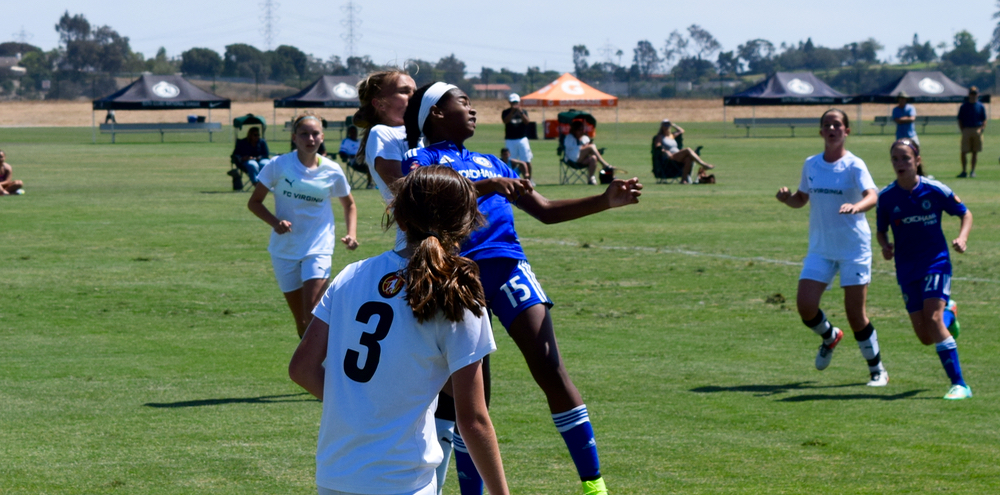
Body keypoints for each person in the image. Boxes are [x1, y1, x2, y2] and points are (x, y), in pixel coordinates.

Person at [402, 82, 644, 495]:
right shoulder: (420, 158)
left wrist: (605, 201)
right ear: (436, 114)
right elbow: (421, 196)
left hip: (509, 268)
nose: (473, 109)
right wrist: (486, 186)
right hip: (459, 277)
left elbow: (545, 211)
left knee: (552, 369)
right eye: (463, 102)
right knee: (473, 400)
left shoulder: (489, 160)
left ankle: (594, 486)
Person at [289, 165, 510, 495]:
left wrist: (360, 406)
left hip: (335, 475)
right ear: (465, 224)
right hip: (402, 481)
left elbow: (302, 369)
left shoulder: (351, 275)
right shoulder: (455, 289)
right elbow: (473, 419)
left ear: (399, 217)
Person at [353, 69, 464, 494]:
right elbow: (407, 186)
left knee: (455, 377)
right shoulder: (384, 133)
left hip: (447, 249)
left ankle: (435, 477)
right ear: (379, 103)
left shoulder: (426, 133)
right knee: (441, 373)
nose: (411, 94)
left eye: (413, 89)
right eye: (402, 90)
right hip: (416, 253)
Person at [775, 109, 888, 387]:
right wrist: (787, 199)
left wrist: (856, 207)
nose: (832, 129)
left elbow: (872, 195)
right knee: (805, 305)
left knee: (855, 315)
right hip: (821, 249)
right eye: (827, 125)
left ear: (846, 131)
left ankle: (877, 370)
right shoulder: (811, 164)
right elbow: (802, 198)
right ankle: (829, 336)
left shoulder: (854, 165)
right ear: (821, 132)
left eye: (837, 125)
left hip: (853, 249)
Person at [876, 138, 973, 400]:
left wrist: (962, 238)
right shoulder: (886, 197)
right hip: (906, 268)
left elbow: (965, 213)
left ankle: (960, 385)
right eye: (895, 159)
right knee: (925, 337)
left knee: (932, 319)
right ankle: (950, 313)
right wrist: (885, 246)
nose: (900, 163)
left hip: (936, 262)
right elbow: (881, 231)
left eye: (906, 158)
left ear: (917, 161)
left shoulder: (934, 189)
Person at [247, 114, 358, 338]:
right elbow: (254, 203)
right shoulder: (278, 165)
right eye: (304, 134)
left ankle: (327, 369)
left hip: (318, 247)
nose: (310, 138)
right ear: (294, 138)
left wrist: (351, 234)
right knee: (302, 321)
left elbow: (350, 204)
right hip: (284, 250)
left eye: (315, 133)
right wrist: (275, 223)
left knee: (313, 314)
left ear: (322, 137)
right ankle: (311, 368)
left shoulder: (332, 170)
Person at [652, 119, 715, 184]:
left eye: (668, 124)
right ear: (662, 126)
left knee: (688, 159)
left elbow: (681, 131)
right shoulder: (660, 137)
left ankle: (683, 180)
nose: (666, 126)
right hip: (670, 157)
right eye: (664, 124)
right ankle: (703, 165)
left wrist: (673, 124)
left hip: (678, 156)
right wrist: (665, 151)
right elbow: (658, 146)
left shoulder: (672, 136)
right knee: (688, 150)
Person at [564, 120, 612, 185]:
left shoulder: (585, 138)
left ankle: (591, 179)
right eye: (579, 130)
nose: (582, 132)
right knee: (591, 147)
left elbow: (591, 149)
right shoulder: (569, 138)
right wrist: (585, 147)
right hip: (573, 159)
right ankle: (605, 165)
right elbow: (571, 149)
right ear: (575, 130)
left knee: (593, 158)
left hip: (583, 159)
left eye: (582, 130)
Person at [501, 93, 533, 183]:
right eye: (513, 102)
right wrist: (512, 111)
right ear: (509, 102)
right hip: (510, 139)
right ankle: (513, 179)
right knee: (511, 161)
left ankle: (529, 179)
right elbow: (505, 121)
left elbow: (527, 122)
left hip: (522, 139)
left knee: (526, 159)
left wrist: (521, 112)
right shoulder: (506, 112)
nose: (514, 104)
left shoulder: (523, 111)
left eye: (516, 102)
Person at [957, 86, 986, 178]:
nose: (973, 96)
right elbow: (960, 119)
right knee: (964, 151)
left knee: (975, 151)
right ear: (969, 95)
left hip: (977, 129)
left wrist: (982, 129)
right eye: (971, 94)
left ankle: (972, 171)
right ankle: (964, 171)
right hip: (966, 129)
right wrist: (962, 129)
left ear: (977, 95)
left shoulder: (980, 106)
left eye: (975, 94)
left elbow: (984, 119)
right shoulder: (964, 106)